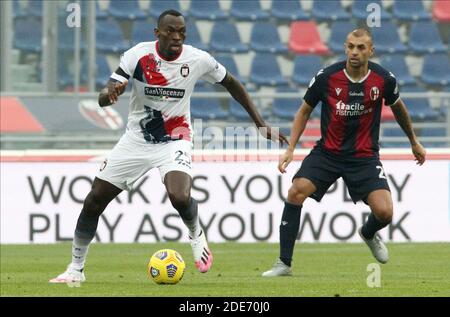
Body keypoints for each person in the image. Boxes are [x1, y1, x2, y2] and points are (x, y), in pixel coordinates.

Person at [50, 9, 287, 283]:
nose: (177, 37)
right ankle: (75, 270)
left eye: (181, 32)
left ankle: (196, 233)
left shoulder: (198, 59)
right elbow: (105, 95)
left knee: (179, 196)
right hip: (136, 140)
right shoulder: (137, 55)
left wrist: (260, 124)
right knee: (94, 200)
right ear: (157, 33)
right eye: (170, 31)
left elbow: (232, 84)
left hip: (176, 138)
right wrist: (110, 93)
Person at [262, 28, 426, 277]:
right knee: (296, 192)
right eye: (350, 46)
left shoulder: (384, 80)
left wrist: (414, 141)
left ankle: (368, 233)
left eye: (360, 48)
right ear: (345, 48)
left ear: (371, 51)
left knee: (385, 212)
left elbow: (399, 107)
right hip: (328, 152)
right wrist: (291, 148)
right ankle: (284, 263)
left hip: (364, 156)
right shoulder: (327, 77)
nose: (354, 52)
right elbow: (304, 110)